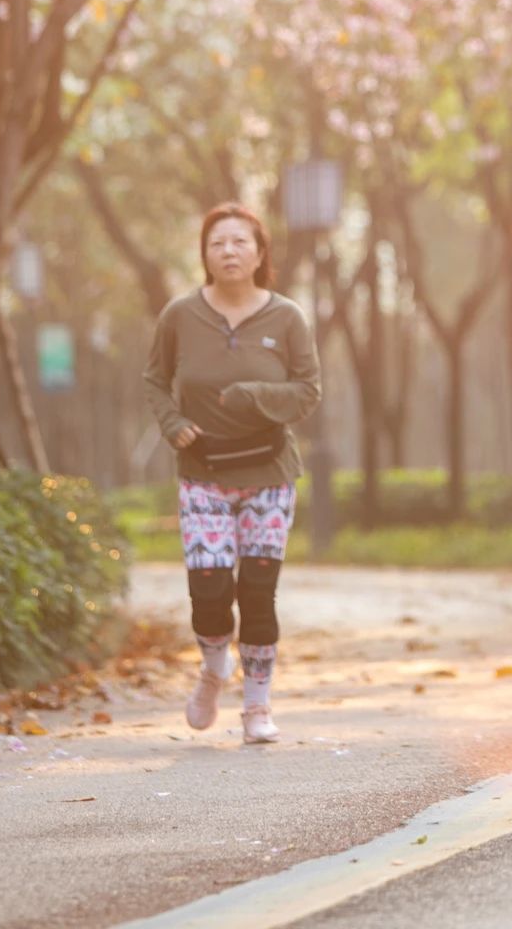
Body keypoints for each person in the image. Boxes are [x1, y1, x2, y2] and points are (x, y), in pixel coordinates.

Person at [143, 202, 321, 743]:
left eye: (240, 241)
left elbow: (308, 392)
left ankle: (257, 707)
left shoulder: (287, 317)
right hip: (203, 473)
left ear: (260, 252)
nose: (229, 251)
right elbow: (154, 380)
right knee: (210, 587)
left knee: (259, 591)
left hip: (269, 472)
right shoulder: (179, 315)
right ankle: (214, 667)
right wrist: (172, 422)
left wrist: (254, 396)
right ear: (205, 254)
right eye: (217, 243)